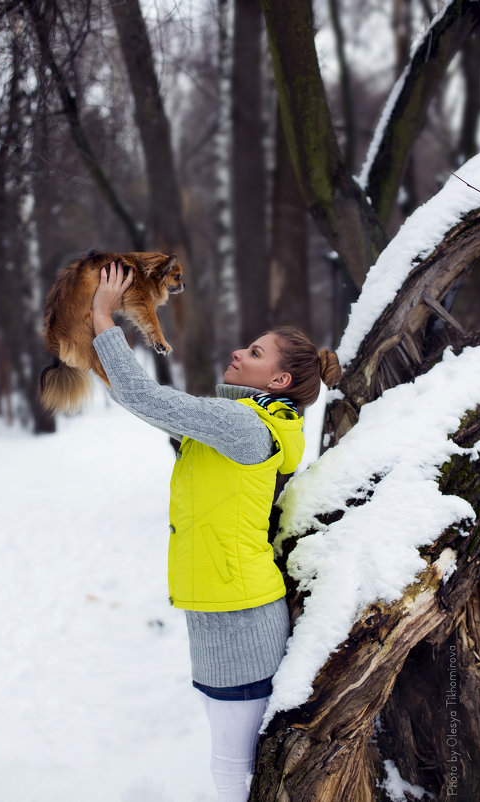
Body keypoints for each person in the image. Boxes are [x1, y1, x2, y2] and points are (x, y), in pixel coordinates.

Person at [91, 260, 342, 802]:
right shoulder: (230, 423)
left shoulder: (248, 426)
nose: (238, 352)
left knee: (234, 768)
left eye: (254, 353)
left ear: (279, 381)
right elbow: (139, 400)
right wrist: (88, 337)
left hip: (241, 614)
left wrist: (102, 317)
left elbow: (144, 397)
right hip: (217, 605)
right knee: (233, 758)